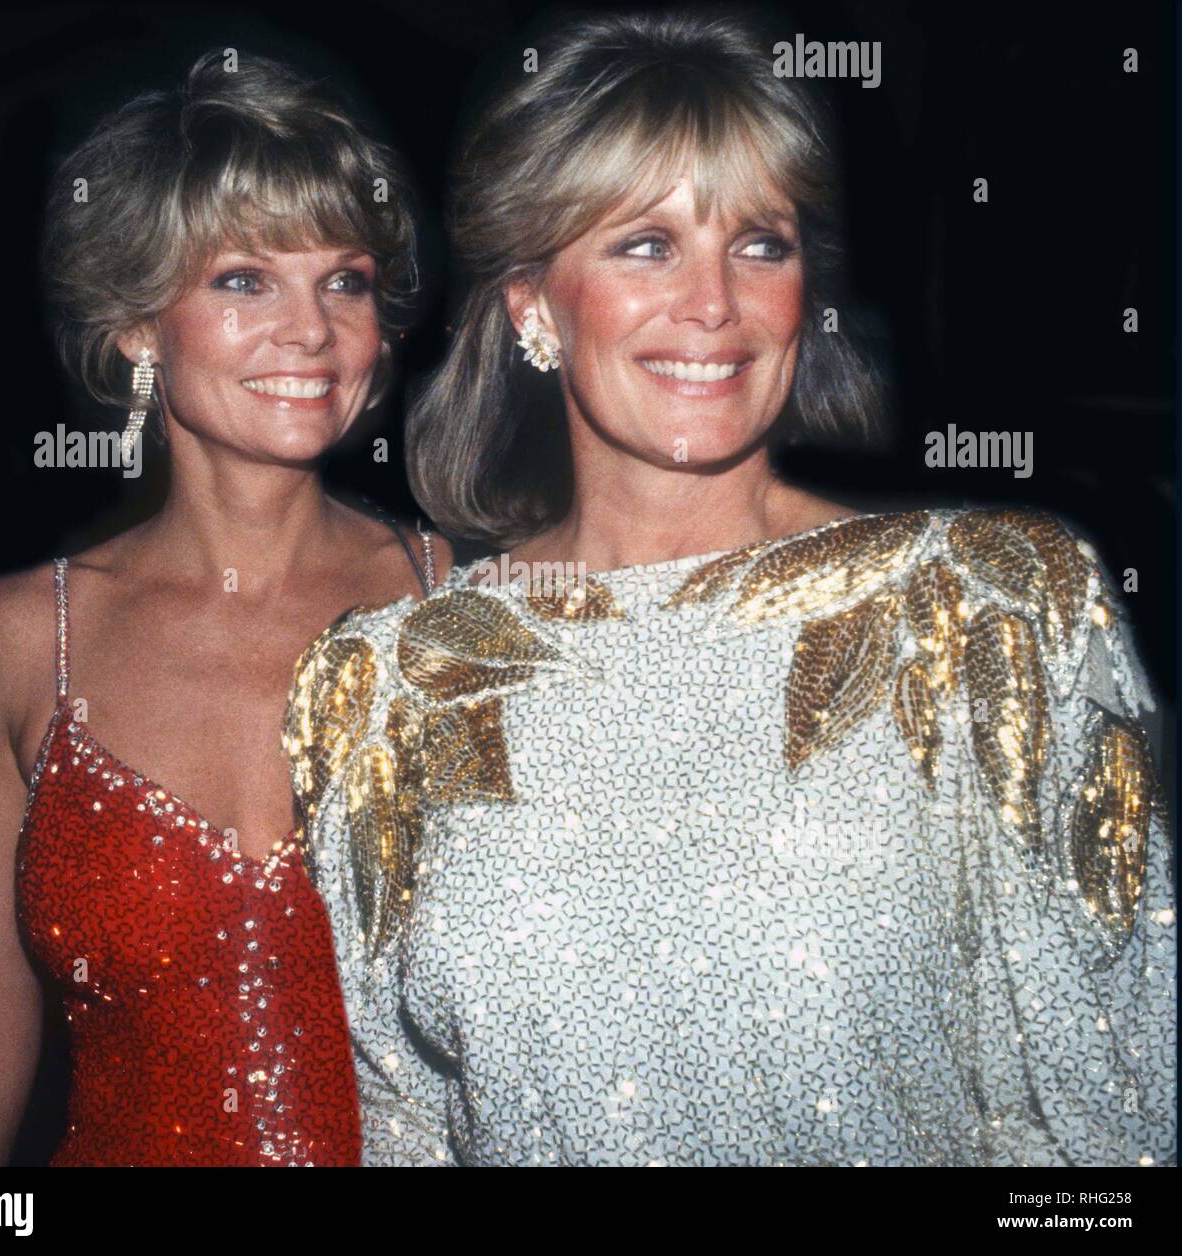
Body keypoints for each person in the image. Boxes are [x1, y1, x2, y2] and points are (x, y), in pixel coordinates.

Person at [285, 12, 1175, 1166]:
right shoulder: (385, 684)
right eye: (644, 244)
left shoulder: (990, 605)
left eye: (761, 242)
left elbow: (1122, 1109)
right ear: (532, 308)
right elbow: (399, 1125)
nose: (715, 303)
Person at [0, 49, 446, 1166]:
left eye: (343, 279)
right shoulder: (22, 639)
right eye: (244, 278)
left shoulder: (463, 598)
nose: (310, 329)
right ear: (137, 324)